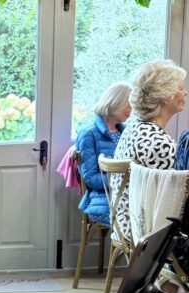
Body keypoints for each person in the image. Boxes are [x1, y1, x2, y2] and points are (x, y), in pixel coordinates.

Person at [112, 59, 187, 243]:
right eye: (179, 88)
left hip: (126, 221)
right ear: (165, 96)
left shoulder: (135, 127)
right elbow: (175, 201)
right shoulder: (157, 142)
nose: (185, 92)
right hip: (144, 230)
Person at [75, 82, 132, 227]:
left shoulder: (125, 132)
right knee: (138, 218)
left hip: (124, 195)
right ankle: (127, 250)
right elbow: (91, 178)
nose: (131, 110)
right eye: (129, 105)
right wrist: (122, 181)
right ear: (116, 103)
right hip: (101, 198)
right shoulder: (88, 134)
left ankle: (129, 249)